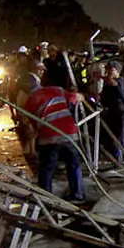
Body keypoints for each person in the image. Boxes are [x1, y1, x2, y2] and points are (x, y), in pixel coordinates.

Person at [23, 70, 86, 201]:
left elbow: (34, 125)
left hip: (48, 138)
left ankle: (46, 197)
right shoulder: (56, 89)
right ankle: (77, 194)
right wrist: (80, 95)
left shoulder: (29, 102)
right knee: (73, 164)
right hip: (69, 134)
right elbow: (74, 98)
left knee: (46, 168)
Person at [100, 61, 124, 167]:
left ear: (117, 71)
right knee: (115, 139)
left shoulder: (121, 82)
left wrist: (102, 77)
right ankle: (118, 162)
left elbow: (115, 85)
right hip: (114, 115)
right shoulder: (108, 85)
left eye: (111, 69)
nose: (109, 72)